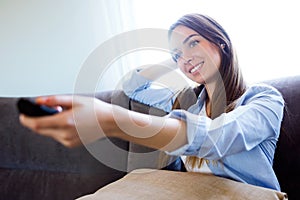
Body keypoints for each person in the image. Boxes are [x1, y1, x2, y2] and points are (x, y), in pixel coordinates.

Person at [19, 13, 285, 191]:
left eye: (194, 43)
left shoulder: (264, 99)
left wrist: (113, 120)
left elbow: (221, 137)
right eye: (177, 53)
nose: (186, 58)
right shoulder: (185, 102)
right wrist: (175, 59)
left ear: (221, 43)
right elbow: (132, 87)